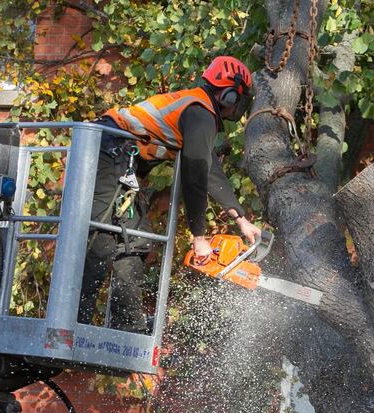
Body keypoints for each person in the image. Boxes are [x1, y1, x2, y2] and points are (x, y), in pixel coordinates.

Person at [78, 56, 262, 331]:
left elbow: (210, 172)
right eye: (240, 99)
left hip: (118, 160)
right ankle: (73, 321)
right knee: (100, 239)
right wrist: (199, 237)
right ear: (229, 94)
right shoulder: (200, 113)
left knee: (134, 242)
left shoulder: (199, 111)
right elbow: (195, 176)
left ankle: (127, 325)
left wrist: (241, 219)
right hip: (107, 152)